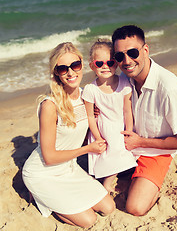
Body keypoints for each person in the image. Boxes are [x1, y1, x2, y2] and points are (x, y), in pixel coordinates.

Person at [22, 42, 115, 228]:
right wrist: (88, 149)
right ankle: (40, 196)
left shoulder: (86, 95)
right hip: (43, 173)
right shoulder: (50, 105)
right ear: (56, 72)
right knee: (89, 220)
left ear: (82, 65)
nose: (71, 72)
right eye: (63, 68)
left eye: (75, 65)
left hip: (68, 169)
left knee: (109, 207)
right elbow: (48, 157)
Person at [112, 25, 177, 216]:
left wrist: (140, 142)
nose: (127, 61)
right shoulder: (125, 80)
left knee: (135, 208)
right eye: (119, 56)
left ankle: (155, 181)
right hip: (129, 148)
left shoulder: (168, 87)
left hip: (157, 152)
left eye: (132, 52)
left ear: (146, 50)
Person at [82, 39, 137, 192]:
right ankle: (107, 183)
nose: (105, 66)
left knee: (122, 153)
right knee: (111, 154)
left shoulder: (124, 83)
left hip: (120, 127)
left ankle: (120, 174)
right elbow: (90, 117)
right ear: (92, 65)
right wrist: (97, 137)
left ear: (116, 63)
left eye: (110, 62)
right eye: (100, 63)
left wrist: (129, 130)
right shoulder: (90, 90)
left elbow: (127, 111)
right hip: (103, 129)